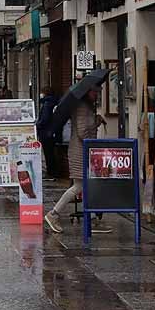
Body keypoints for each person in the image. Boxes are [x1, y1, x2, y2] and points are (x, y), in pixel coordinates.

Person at [44, 86, 106, 234]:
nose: (97, 94)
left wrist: (96, 121)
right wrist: (94, 131)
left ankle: (90, 218)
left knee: (86, 185)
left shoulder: (85, 106)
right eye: (94, 92)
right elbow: (82, 132)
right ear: (87, 91)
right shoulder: (82, 107)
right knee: (79, 186)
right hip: (80, 151)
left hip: (82, 150)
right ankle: (54, 214)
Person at [36, 87, 60, 179]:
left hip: (45, 132)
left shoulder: (47, 104)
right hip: (51, 132)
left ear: (44, 93)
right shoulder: (53, 102)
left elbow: (45, 119)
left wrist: (38, 124)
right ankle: (53, 171)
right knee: (51, 153)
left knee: (48, 153)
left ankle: (51, 172)